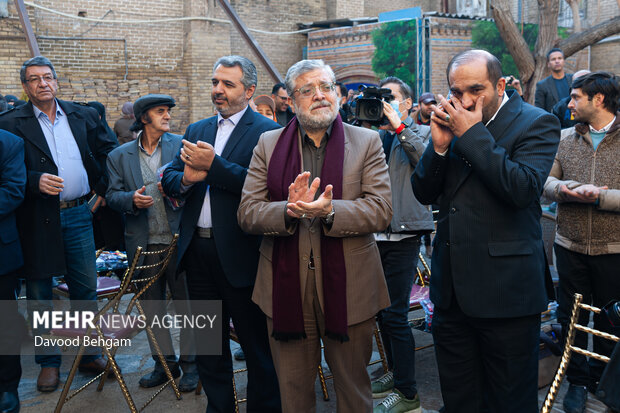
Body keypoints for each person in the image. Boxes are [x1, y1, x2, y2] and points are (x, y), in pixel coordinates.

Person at [238, 59, 392, 412]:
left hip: (351, 288)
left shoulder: (367, 142)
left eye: (325, 87)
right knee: (292, 395)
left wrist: (331, 210)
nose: (319, 96)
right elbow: (247, 213)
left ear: (337, 93)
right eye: (307, 90)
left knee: (354, 391)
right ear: (290, 101)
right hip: (284, 289)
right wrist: (287, 210)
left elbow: (382, 210)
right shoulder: (268, 144)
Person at [412, 49, 559, 412]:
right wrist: (440, 148)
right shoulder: (451, 124)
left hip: (506, 293)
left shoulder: (536, 122)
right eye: (456, 91)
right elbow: (423, 192)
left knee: (509, 400)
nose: (464, 100)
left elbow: (521, 189)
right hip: (452, 294)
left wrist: (472, 134)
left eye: (475, 89)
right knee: (460, 400)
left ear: (501, 84)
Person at [161, 55, 281, 413]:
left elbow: (267, 189)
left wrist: (214, 167)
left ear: (249, 90)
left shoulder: (267, 132)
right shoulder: (197, 130)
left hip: (243, 256)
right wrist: (185, 178)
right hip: (197, 256)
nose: (218, 90)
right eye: (215, 82)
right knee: (210, 346)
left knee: (257, 348)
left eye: (227, 84)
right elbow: (167, 177)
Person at [0, 56, 118, 393]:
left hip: (81, 214)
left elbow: (110, 153)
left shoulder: (82, 114)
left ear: (56, 80)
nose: (42, 84)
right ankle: (48, 363)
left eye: (48, 77)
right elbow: (6, 174)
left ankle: (89, 353)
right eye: (34, 79)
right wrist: (34, 181)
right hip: (36, 218)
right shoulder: (10, 122)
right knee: (39, 294)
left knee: (85, 289)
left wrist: (101, 193)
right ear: (25, 86)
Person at [105, 94, 198, 392]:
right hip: (144, 245)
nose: (168, 116)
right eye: (161, 112)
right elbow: (111, 196)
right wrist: (131, 199)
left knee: (190, 307)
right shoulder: (119, 156)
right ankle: (164, 364)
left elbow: (196, 188)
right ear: (144, 118)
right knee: (152, 309)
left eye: (168, 111)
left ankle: (193, 366)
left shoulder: (181, 146)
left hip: (179, 241)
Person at [542, 71, 620, 413]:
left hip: (613, 251)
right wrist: (564, 189)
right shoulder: (564, 138)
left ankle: (605, 384)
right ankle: (576, 382)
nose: (569, 103)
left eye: (576, 97)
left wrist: (599, 198)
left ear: (597, 99)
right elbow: (545, 180)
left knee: (608, 321)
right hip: (569, 246)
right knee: (569, 319)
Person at [372, 76, 433, 413]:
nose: (385, 103)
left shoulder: (421, 132)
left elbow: (428, 166)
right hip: (373, 235)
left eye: (391, 97)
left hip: (405, 235)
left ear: (408, 103)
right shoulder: (374, 135)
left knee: (396, 314)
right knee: (382, 312)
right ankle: (395, 373)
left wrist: (400, 128)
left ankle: (408, 393)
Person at [0, 128, 26, 413]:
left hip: (1, 250)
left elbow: (13, 190)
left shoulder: (8, 143)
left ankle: (7, 387)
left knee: (4, 323)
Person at [535, 48, 574, 113]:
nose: (557, 61)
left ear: (564, 61)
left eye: (559, 58)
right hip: (554, 121)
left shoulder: (573, 79)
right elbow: (539, 110)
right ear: (548, 64)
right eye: (553, 59)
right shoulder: (542, 85)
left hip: (574, 119)